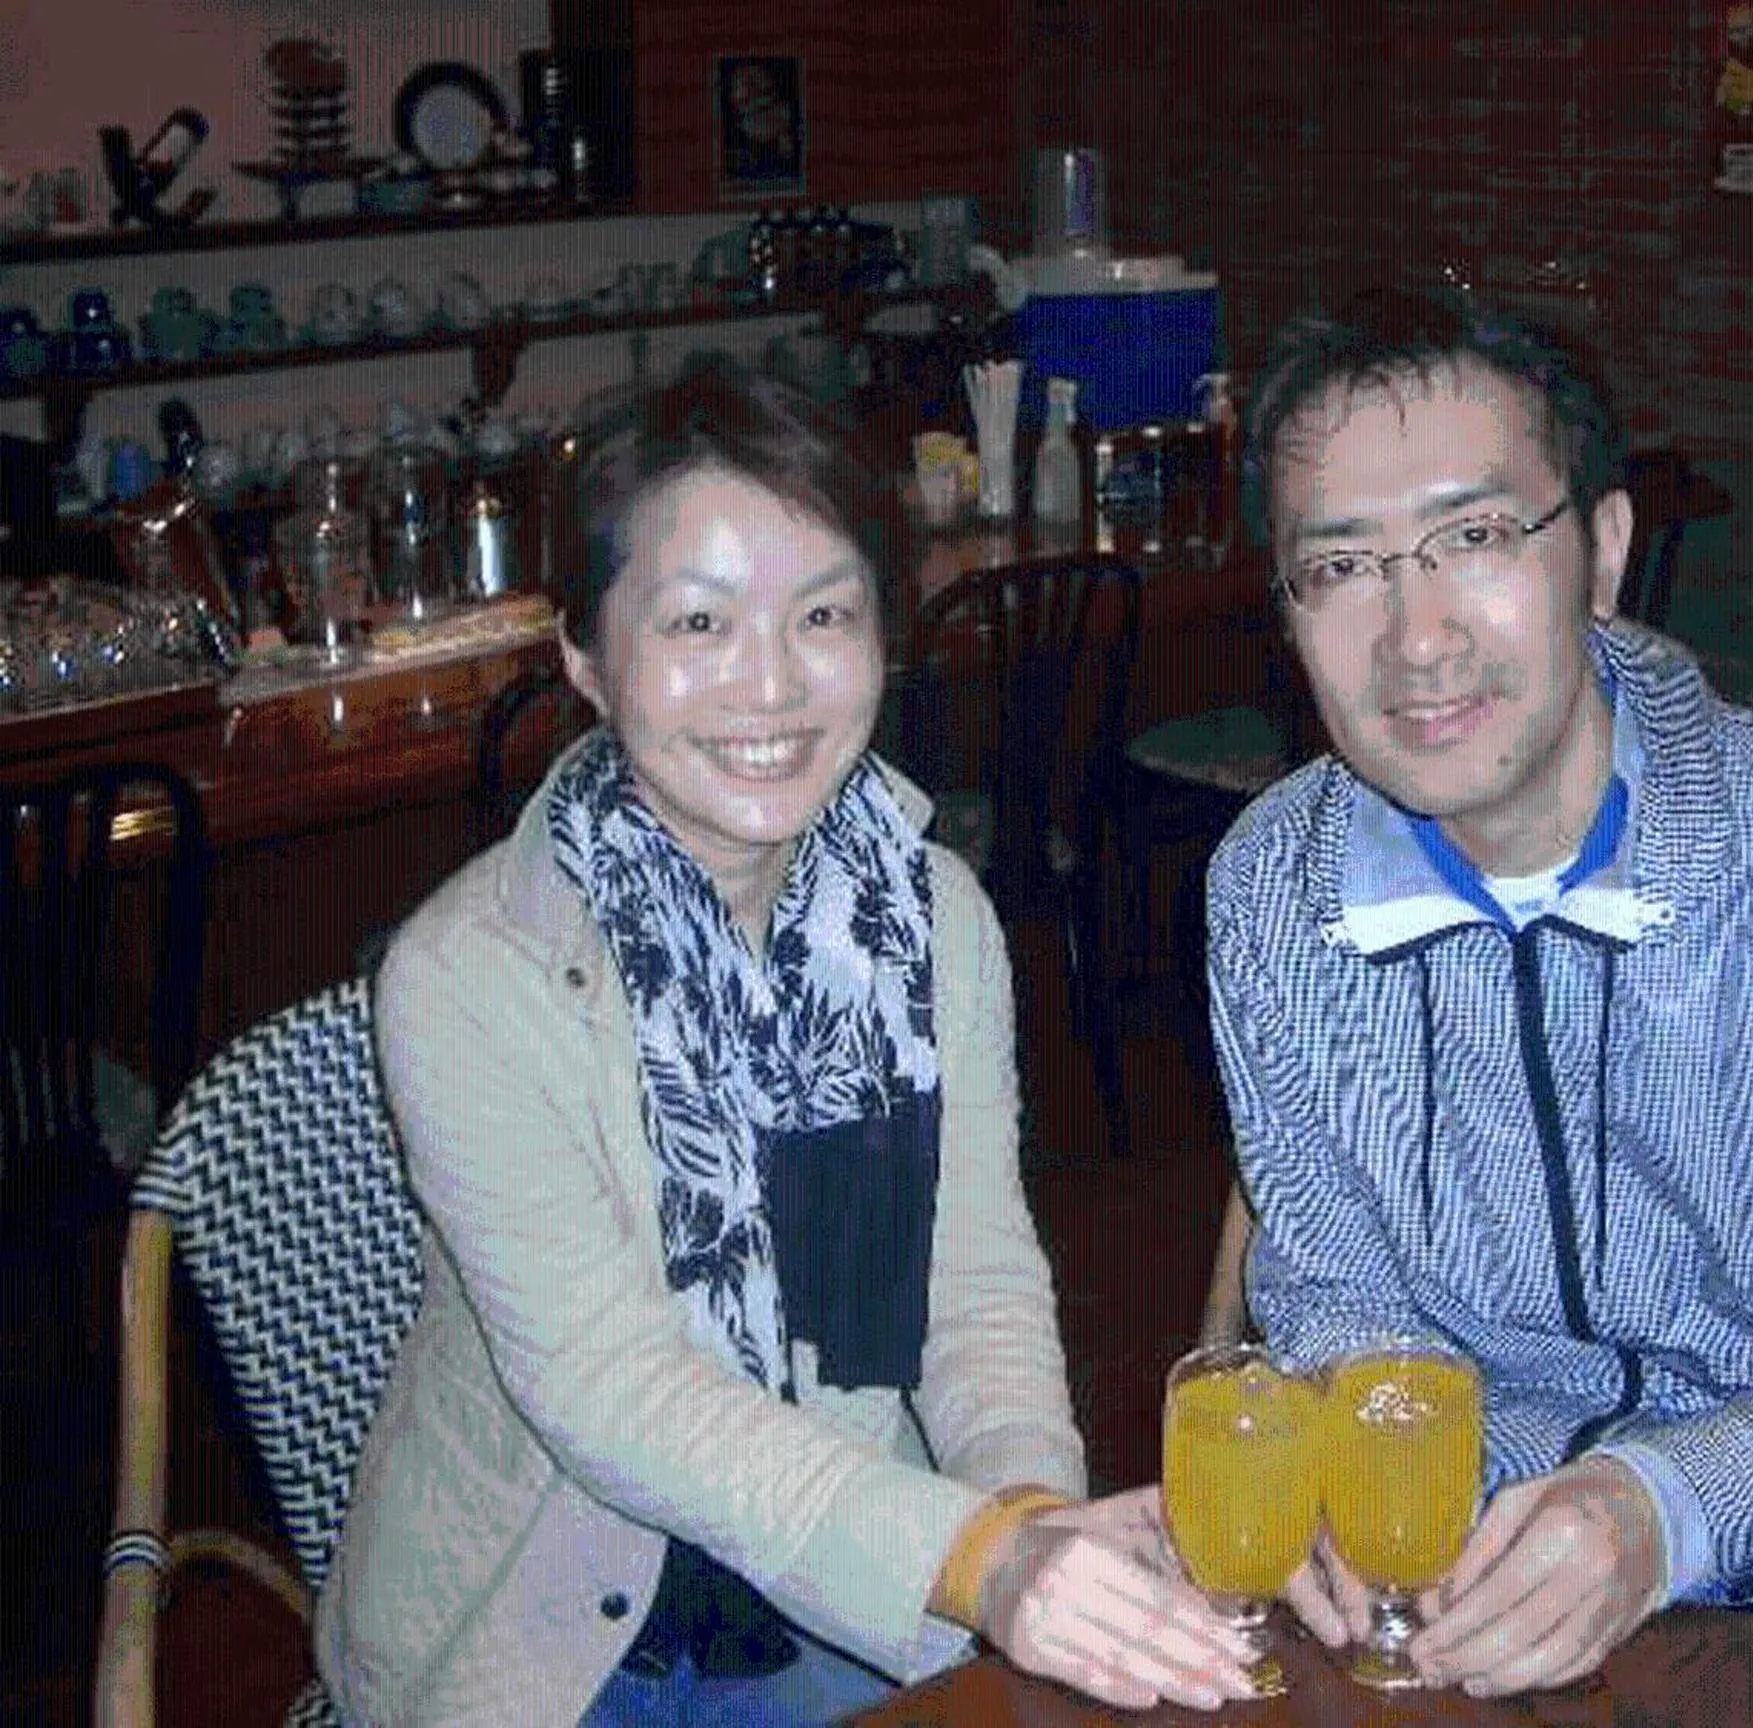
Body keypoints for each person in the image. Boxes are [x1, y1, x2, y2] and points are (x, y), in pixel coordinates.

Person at [316, 360, 1260, 1725]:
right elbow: (613, 1391)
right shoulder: (474, 975)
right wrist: (982, 1562)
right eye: (698, 622)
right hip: (558, 1642)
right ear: (584, 656)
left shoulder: (924, 919)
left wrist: (1031, 1515)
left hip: (855, 1584)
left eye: (825, 614)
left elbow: (964, 1281)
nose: (769, 688)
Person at [1204, 287, 1753, 1698]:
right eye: (1341, 568)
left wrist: (1666, 1509)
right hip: (1429, 1553)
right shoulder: (1270, 887)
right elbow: (1333, 1284)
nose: (1415, 640)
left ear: (1601, 550)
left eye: (1475, 536)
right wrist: (1360, 1460)